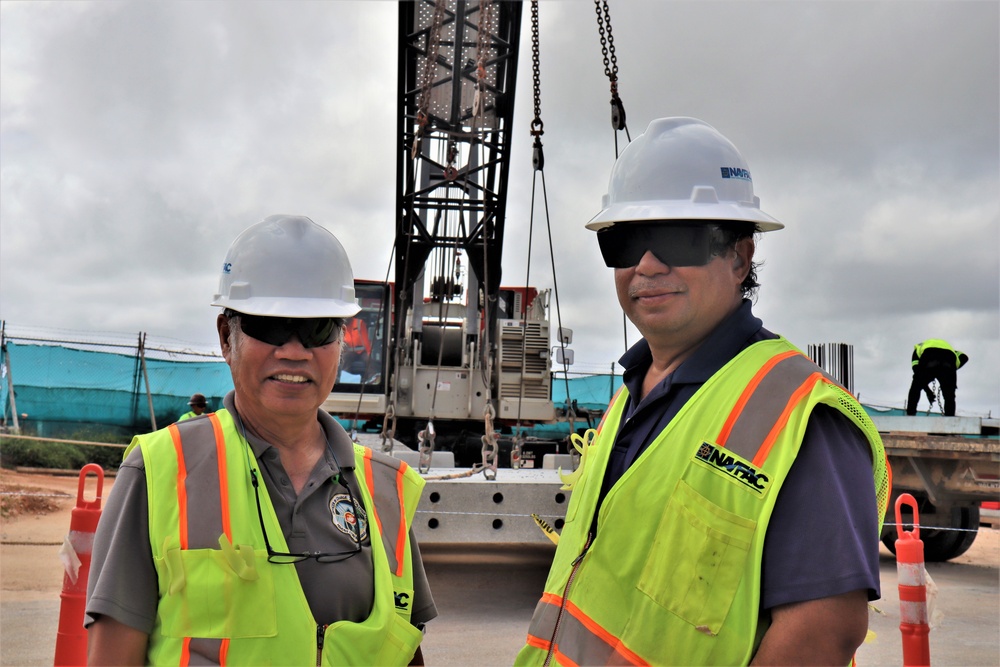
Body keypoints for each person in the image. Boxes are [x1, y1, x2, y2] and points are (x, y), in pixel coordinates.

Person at [516, 118, 889, 666]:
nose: (645, 264)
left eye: (676, 238)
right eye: (624, 241)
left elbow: (823, 634)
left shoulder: (800, 416)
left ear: (740, 257)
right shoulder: (629, 397)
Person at [86, 215, 436, 665]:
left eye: (316, 329)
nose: (294, 350)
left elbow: (403, 648)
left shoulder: (385, 488)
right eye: (269, 326)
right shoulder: (159, 471)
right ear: (225, 338)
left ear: (341, 342)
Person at [906, 338, 969, 416]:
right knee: (949, 395)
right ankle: (950, 418)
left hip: (929, 356)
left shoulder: (918, 348)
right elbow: (964, 357)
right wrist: (951, 371)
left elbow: (917, 373)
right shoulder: (951, 350)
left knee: (915, 388)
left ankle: (910, 414)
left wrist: (928, 391)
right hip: (949, 358)